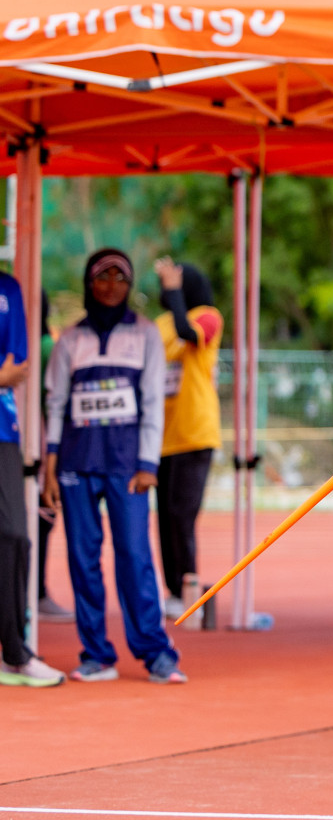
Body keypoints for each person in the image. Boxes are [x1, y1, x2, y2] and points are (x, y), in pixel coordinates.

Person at [43, 249, 185, 684]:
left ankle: (156, 654)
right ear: (89, 283)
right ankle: (96, 655)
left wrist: (148, 464)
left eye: (119, 278)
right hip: (76, 464)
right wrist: (50, 464)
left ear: (129, 285)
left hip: (128, 467)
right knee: (83, 560)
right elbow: (57, 403)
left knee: (135, 557)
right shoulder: (70, 339)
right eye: (101, 278)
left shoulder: (145, 336)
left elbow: (151, 405)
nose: (110, 286)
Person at [0, 268, 65, 687]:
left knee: (15, 536)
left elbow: (16, 368)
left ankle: (15, 651)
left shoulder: (9, 289)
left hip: (3, 430)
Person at [152, 259, 222, 626]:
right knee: (164, 518)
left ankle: (189, 590)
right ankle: (173, 593)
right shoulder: (158, 325)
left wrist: (175, 289)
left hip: (195, 433)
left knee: (183, 515)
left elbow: (187, 332)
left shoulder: (208, 317)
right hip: (162, 437)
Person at [33, 290, 72, 624]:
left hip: (41, 443)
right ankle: (36, 593)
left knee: (40, 520)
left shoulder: (46, 347)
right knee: (40, 521)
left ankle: (36, 592)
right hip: (38, 444)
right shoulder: (46, 346)